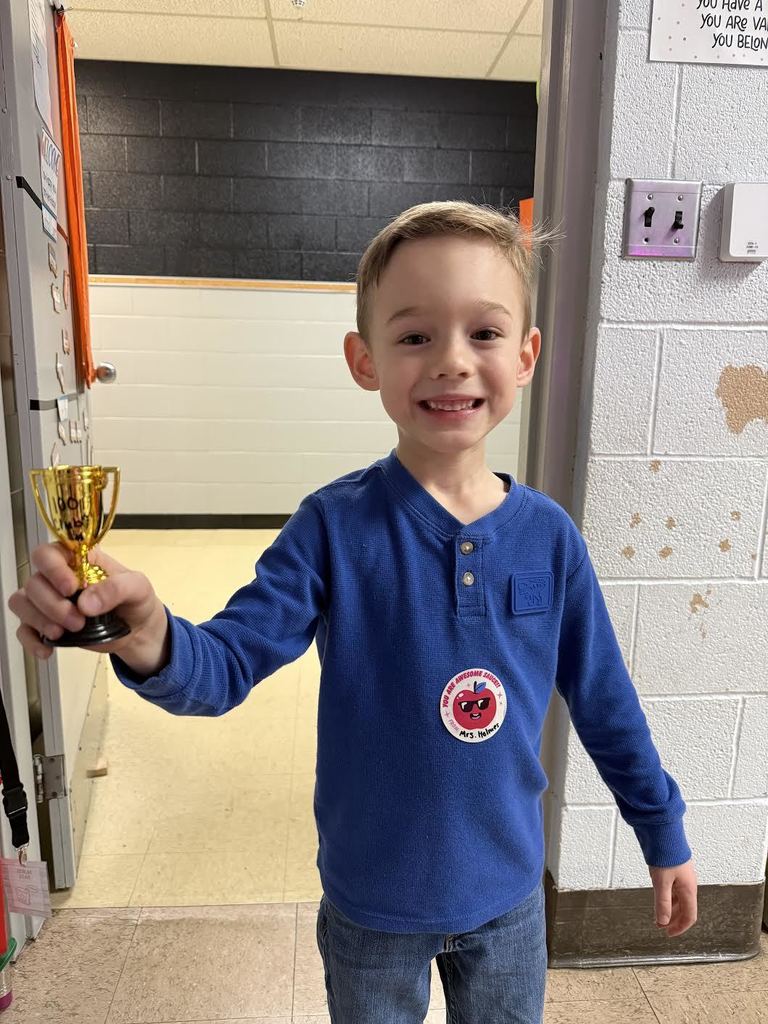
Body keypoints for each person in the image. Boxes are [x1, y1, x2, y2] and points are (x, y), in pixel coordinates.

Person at [9, 202, 698, 1024]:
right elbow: (228, 666)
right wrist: (149, 633)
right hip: (372, 905)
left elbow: (606, 702)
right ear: (364, 361)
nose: (451, 362)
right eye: (414, 337)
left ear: (526, 356)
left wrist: (662, 827)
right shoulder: (331, 528)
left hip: (509, 899)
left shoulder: (551, 539)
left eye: (483, 333)